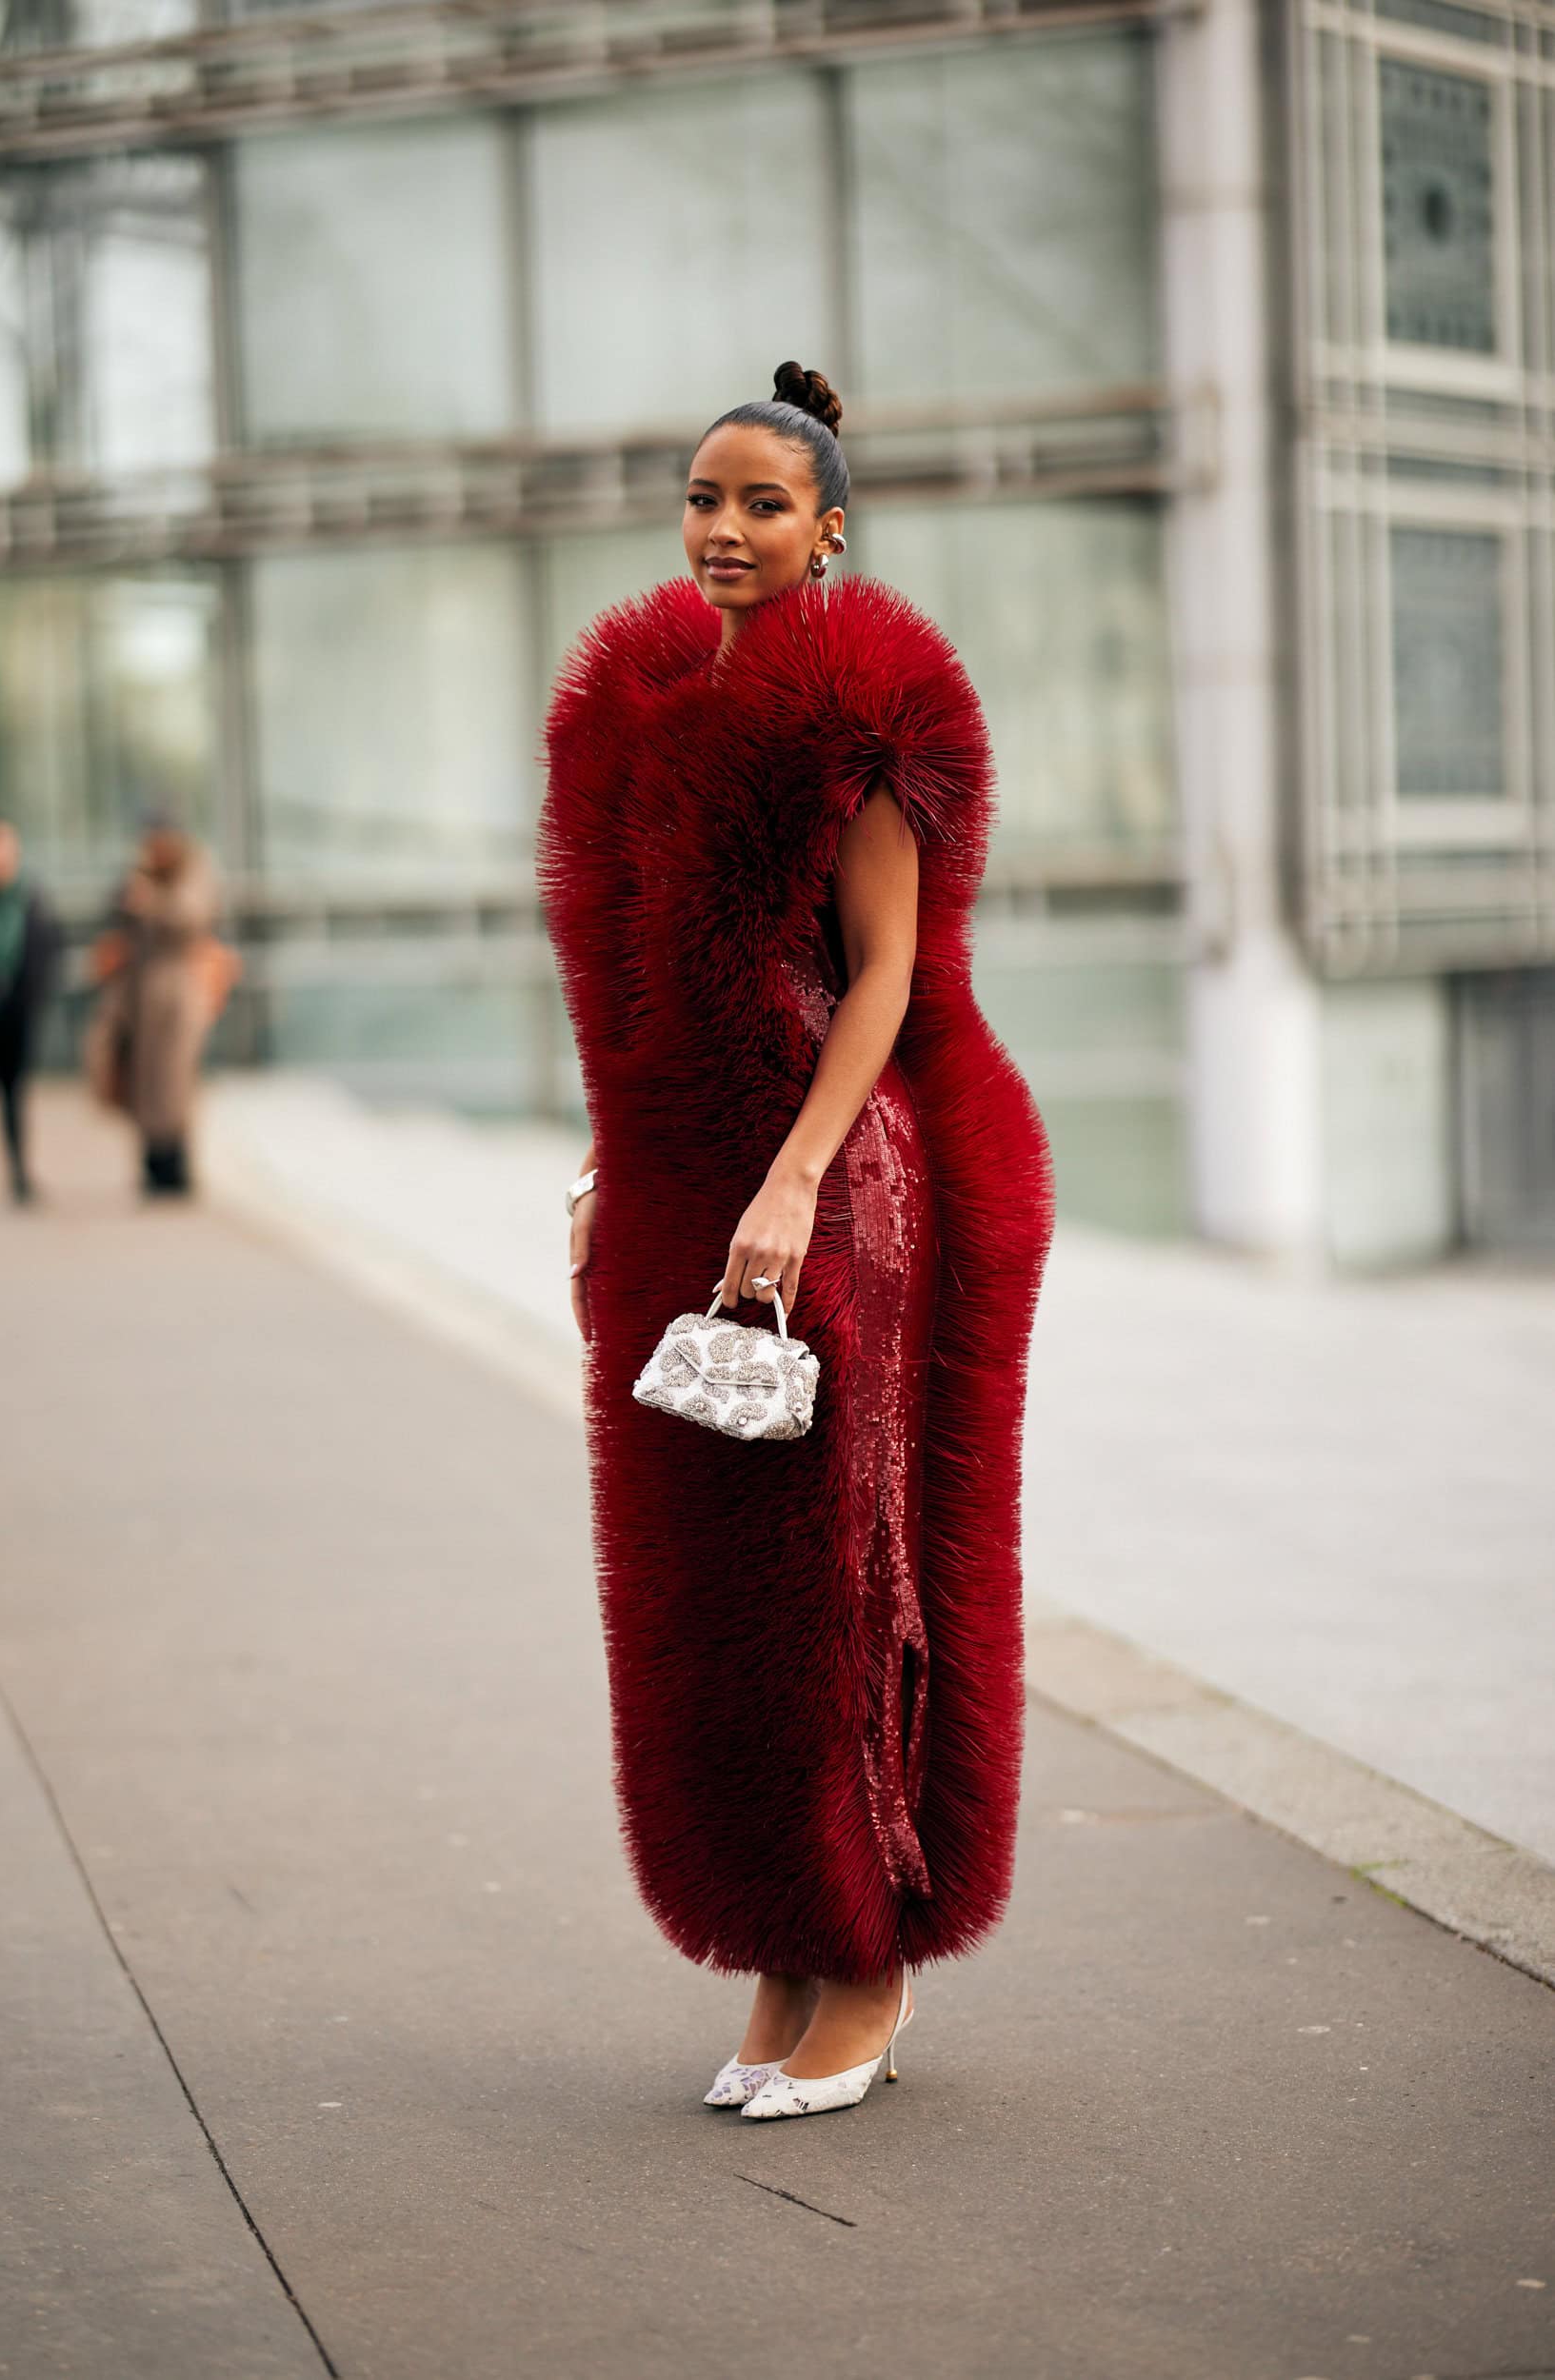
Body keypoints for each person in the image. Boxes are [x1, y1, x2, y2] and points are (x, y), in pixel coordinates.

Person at [536, 361, 1056, 2122]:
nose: (724, 529)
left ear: (830, 526)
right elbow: (643, 996)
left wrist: (785, 1180)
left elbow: (885, 976)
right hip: (695, 1174)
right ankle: (784, 1936)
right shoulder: (650, 707)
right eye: (702, 499)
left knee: (850, 1571)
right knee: (727, 1583)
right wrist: (630, 1162)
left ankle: (873, 1959)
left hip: (841, 1178)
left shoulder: (866, 707)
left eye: (762, 503)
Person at [86, 815, 224, 1197]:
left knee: (175, 1080)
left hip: (179, 992)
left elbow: (192, 917)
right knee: (144, 1081)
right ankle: (151, 1165)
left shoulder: (194, 871)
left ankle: (176, 1166)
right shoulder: (139, 873)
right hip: (140, 995)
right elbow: (115, 918)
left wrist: (153, 901)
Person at [0, 816, 60, 1207]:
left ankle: (18, 1173)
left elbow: (47, 947)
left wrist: (31, 996)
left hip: (15, 1012)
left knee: (14, 1096)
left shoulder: (30, 896)